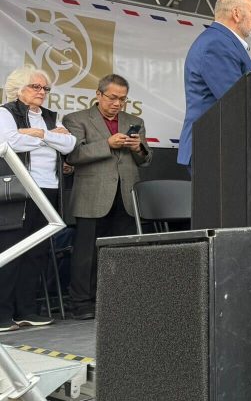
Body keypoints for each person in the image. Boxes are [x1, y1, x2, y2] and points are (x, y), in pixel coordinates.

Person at [63, 74, 152, 320]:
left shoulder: (135, 121)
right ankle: (81, 303)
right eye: (112, 97)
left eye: (122, 99)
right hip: (92, 194)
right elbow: (73, 155)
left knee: (122, 252)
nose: (117, 103)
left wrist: (138, 148)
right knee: (86, 254)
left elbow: (145, 160)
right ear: (98, 94)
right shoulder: (76, 119)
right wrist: (108, 144)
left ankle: (118, 301)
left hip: (126, 194)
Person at [0, 67, 77, 330]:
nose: (42, 92)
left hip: (49, 188)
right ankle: (2, 313)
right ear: (19, 88)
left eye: (45, 88)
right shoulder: (6, 112)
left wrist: (40, 134)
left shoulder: (50, 117)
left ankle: (27, 310)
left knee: (37, 252)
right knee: (12, 249)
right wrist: (52, 139)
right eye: (36, 87)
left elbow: (70, 144)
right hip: (20, 189)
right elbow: (9, 142)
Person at [177, 0, 251, 169]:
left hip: (217, 146)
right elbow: (235, 99)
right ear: (236, 14)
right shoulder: (217, 43)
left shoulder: (221, 41)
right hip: (212, 147)